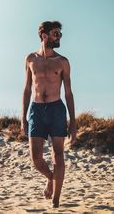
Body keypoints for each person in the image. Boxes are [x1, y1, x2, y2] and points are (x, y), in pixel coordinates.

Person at [21, 21, 76, 208]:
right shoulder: (30, 59)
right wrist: (23, 119)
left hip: (56, 110)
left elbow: (68, 93)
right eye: (55, 33)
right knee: (36, 159)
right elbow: (27, 90)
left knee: (58, 156)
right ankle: (51, 179)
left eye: (60, 34)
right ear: (44, 35)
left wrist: (73, 122)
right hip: (36, 110)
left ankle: (56, 200)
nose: (59, 37)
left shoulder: (62, 62)